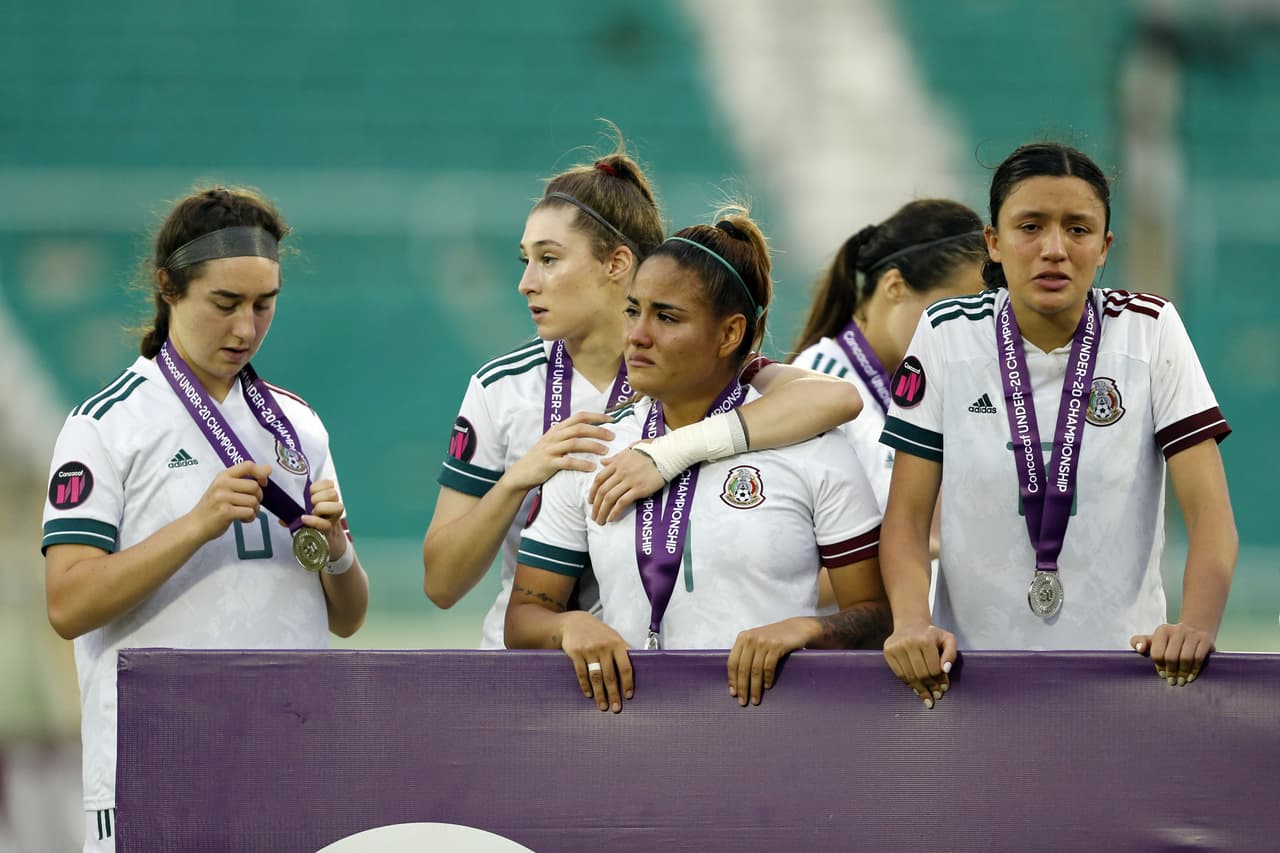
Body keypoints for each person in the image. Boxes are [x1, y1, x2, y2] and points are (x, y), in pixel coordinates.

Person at [422, 135, 865, 649]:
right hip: (541, 657)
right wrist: (520, 478)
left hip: (649, 665)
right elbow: (441, 585)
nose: (526, 282)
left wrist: (669, 452)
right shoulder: (505, 388)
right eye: (525, 259)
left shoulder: (696, 370)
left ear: (616, 264)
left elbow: (836, 398)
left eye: (548, 259)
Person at [41, 187, 369, 851]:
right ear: (168, 287)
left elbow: (345, 614)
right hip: (158, 771)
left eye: (264, 303)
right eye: (225, 303)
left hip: (288, 768)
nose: (246, 328)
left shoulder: (297, 425)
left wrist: (334, 550)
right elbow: (68, 603)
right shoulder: (106, 425)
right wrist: (195, 525)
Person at [877, 142, 1236, 708]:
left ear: (1104, 248)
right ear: (993, 243)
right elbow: (906, 518)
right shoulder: (947, 333)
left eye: (1077, 229)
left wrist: (1196, 626)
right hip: (969, 679)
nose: (1053, 249)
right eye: (1030, 226)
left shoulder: (1150, 329)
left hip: (1127, 677)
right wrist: (911, 622)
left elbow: (1212, 519)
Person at [505, 212, 890, 712]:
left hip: (775, 746)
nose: (637, 336)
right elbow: (525, 616)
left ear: (730, 334)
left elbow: (877, 615)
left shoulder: (814, 448)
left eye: (666, 317)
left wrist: (809, 628)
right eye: (632, 311)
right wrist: (567, 626)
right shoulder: (593, 447)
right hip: (631, 742)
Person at [791, 199, 987, 508]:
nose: (968, 332)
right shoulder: (818, 382)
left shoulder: (923, 394)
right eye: (955, 310)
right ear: (894, 286)